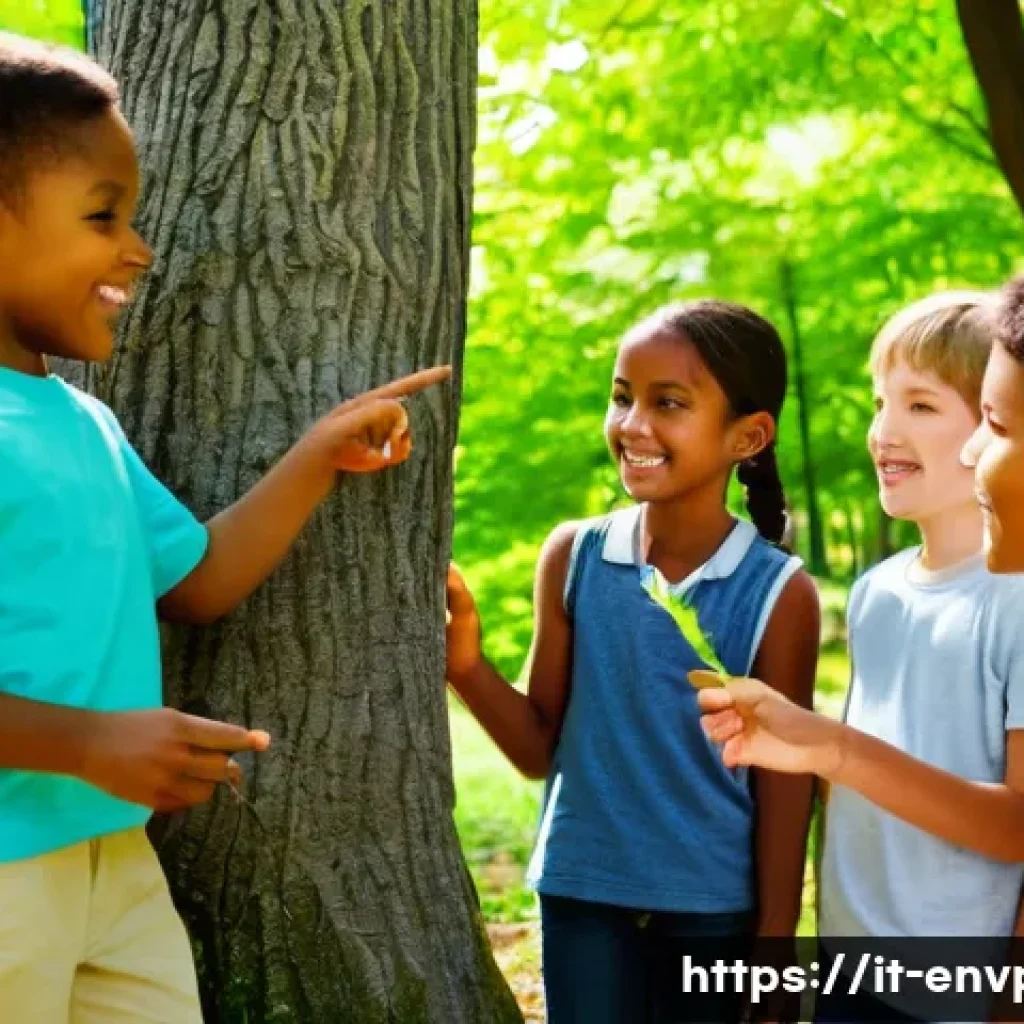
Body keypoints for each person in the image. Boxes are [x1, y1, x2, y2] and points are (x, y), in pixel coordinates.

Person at [0, 32, 449, 1023]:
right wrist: (88, 741)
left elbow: (197, 579)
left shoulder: (84, 422)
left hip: (113, 861)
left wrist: (316, 454)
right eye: (101, 215)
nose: (138, 248)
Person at [446, 299, 820, 1023]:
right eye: (622, 398)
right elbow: (537, 749)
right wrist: (465, 666)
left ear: (747, 435)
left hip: (712, 911)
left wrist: (776, 947)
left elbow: (786, 786)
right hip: (583, 897)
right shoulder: (575, 556)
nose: (633, 425)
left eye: (668, 403)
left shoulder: (779, 593)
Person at [698, 288, 1024, 1021]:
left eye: (921, 405)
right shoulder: (876, 593)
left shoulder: (1014, 600)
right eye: (881, 402)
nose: (884, 431)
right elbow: (857, 787)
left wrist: (832, 748)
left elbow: (1016, 828)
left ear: (995, 419)